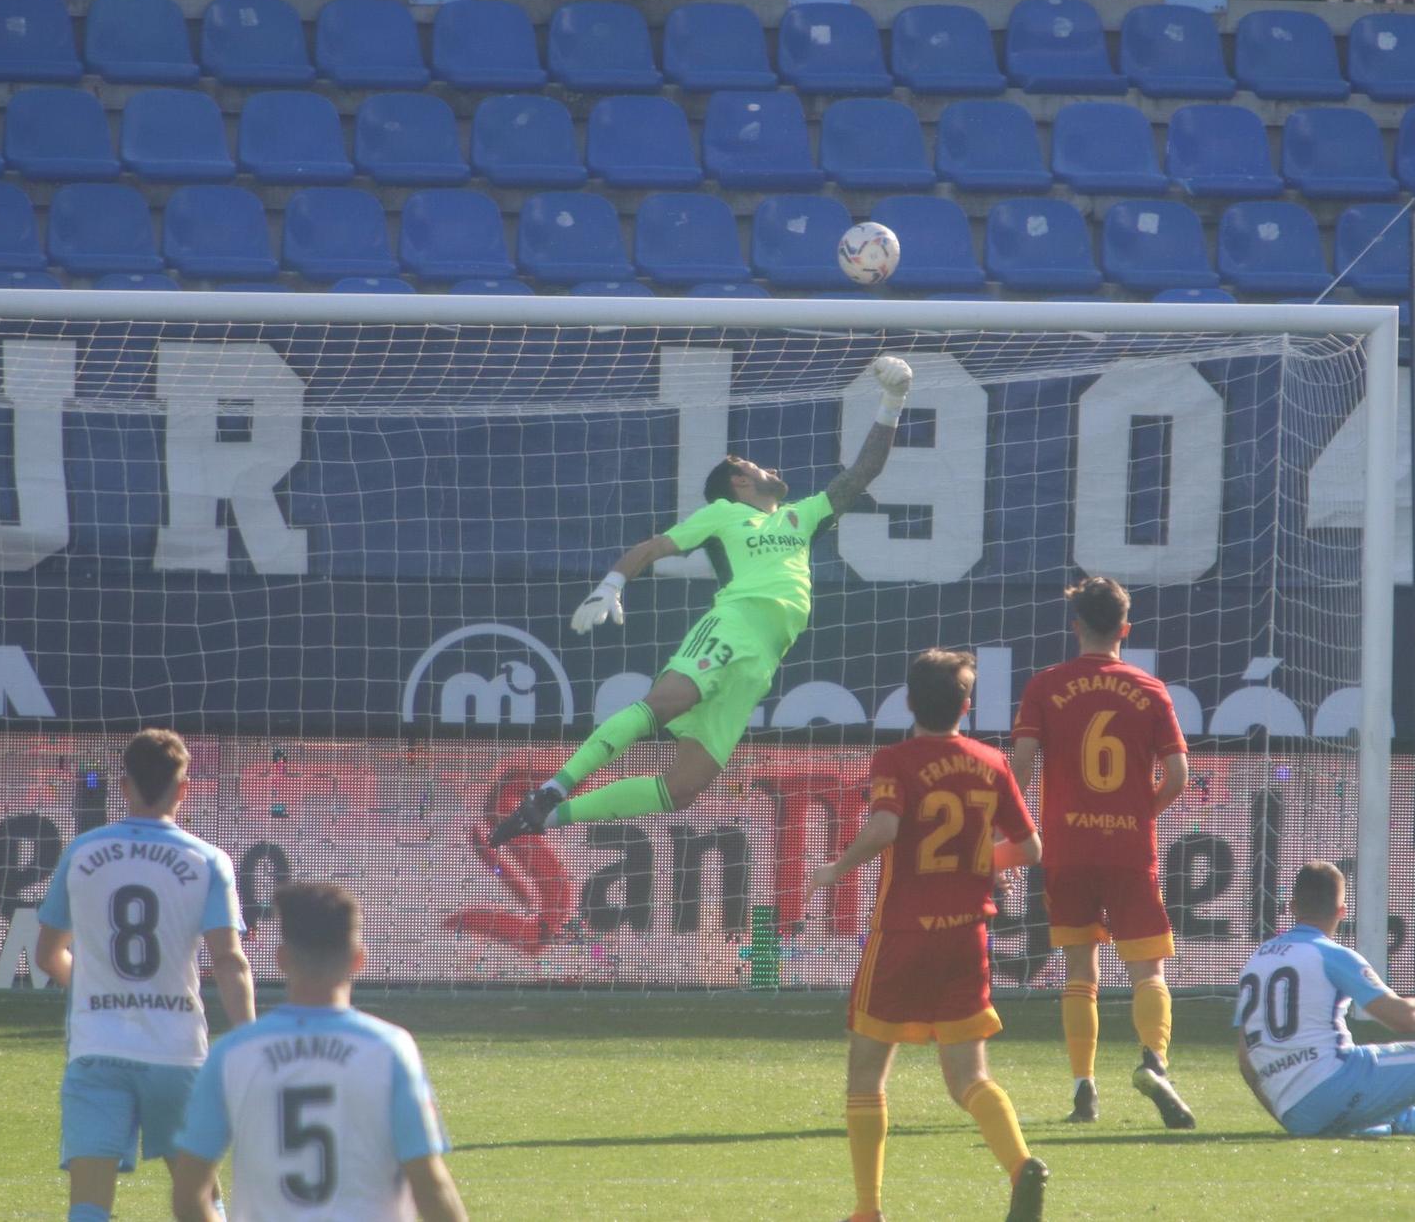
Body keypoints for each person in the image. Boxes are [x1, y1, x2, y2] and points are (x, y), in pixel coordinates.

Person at [490, 355, 915, 847]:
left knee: (681, 790)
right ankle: (553, 786)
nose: (772, 469)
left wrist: (893, 401)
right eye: (758, 466)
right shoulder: (723, 514)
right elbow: (655, 546)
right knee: (668, 701)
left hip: (762, 661)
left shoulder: (803, 517)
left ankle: (549, 817)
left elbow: (861, 473)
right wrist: (610, 585)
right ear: (739, 480)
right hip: (733, 624)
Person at [806, 649, 1050, 1222]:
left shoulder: (895, 759)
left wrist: (835, 869)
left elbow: (886, 826)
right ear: (967, 706)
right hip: (968, 937)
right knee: (970, 1078)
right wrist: (986, 860)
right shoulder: (993, 762)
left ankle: (868, 1209)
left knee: (866, 1071)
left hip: (902, 935)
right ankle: (1020, 1165)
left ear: (909, 702)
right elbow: (1032, 849)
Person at [33, 728, 256, 1222]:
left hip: (97, 1050)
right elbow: (228, 961)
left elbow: (48, 954)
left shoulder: (83, 852)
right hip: (176, 1053)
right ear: (184, 789)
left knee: (89, 1205)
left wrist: (97, 987)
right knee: (200, 1200)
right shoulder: (208, 860)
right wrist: (249, 1040)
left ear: (124, 783)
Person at [1010, 576, 1195, 1129]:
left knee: (1078, 976)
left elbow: (1018, 767)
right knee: (1148, 972)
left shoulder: (1045, 685)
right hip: (1129, 850)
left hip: (1065, 851)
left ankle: (1083, 1089)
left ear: (1076, 628)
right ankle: (1154, 1062)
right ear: (1125, 629)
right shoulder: (1151, 688)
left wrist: (1015, 827)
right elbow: (1179, 776)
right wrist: (1139, 814)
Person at [172, 881, 466, 1222]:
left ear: (281, 959)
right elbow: (430, 1183)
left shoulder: (233, 1054)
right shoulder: (388, 1049)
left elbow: (188, 1193)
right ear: (359, 959)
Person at [1234, 862, 1415, 1143]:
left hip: (1296, 1113)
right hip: (1334, 1085)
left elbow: (1246, 1057)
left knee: (1391, 1114)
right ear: (1341, 911)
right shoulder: (1333, 955)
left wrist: (1286, 1113)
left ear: (1292, 907)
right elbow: (1406, 1019)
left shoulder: (1255, 960)